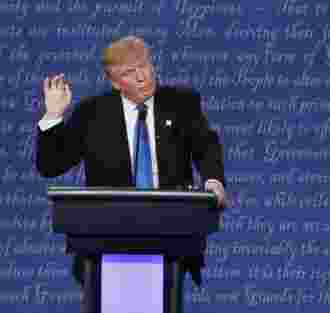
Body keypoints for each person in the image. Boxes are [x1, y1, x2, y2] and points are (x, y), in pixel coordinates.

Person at [36, 35, 228, 284]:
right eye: (129, 72)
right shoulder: (92, 113)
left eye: (144, 66)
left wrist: (214, 180)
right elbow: (51, 166)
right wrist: (53, 115)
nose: (142, 77)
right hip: (107, 238)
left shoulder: (182, 103)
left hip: (172, 234)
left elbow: (206, 146)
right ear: (115, 82)